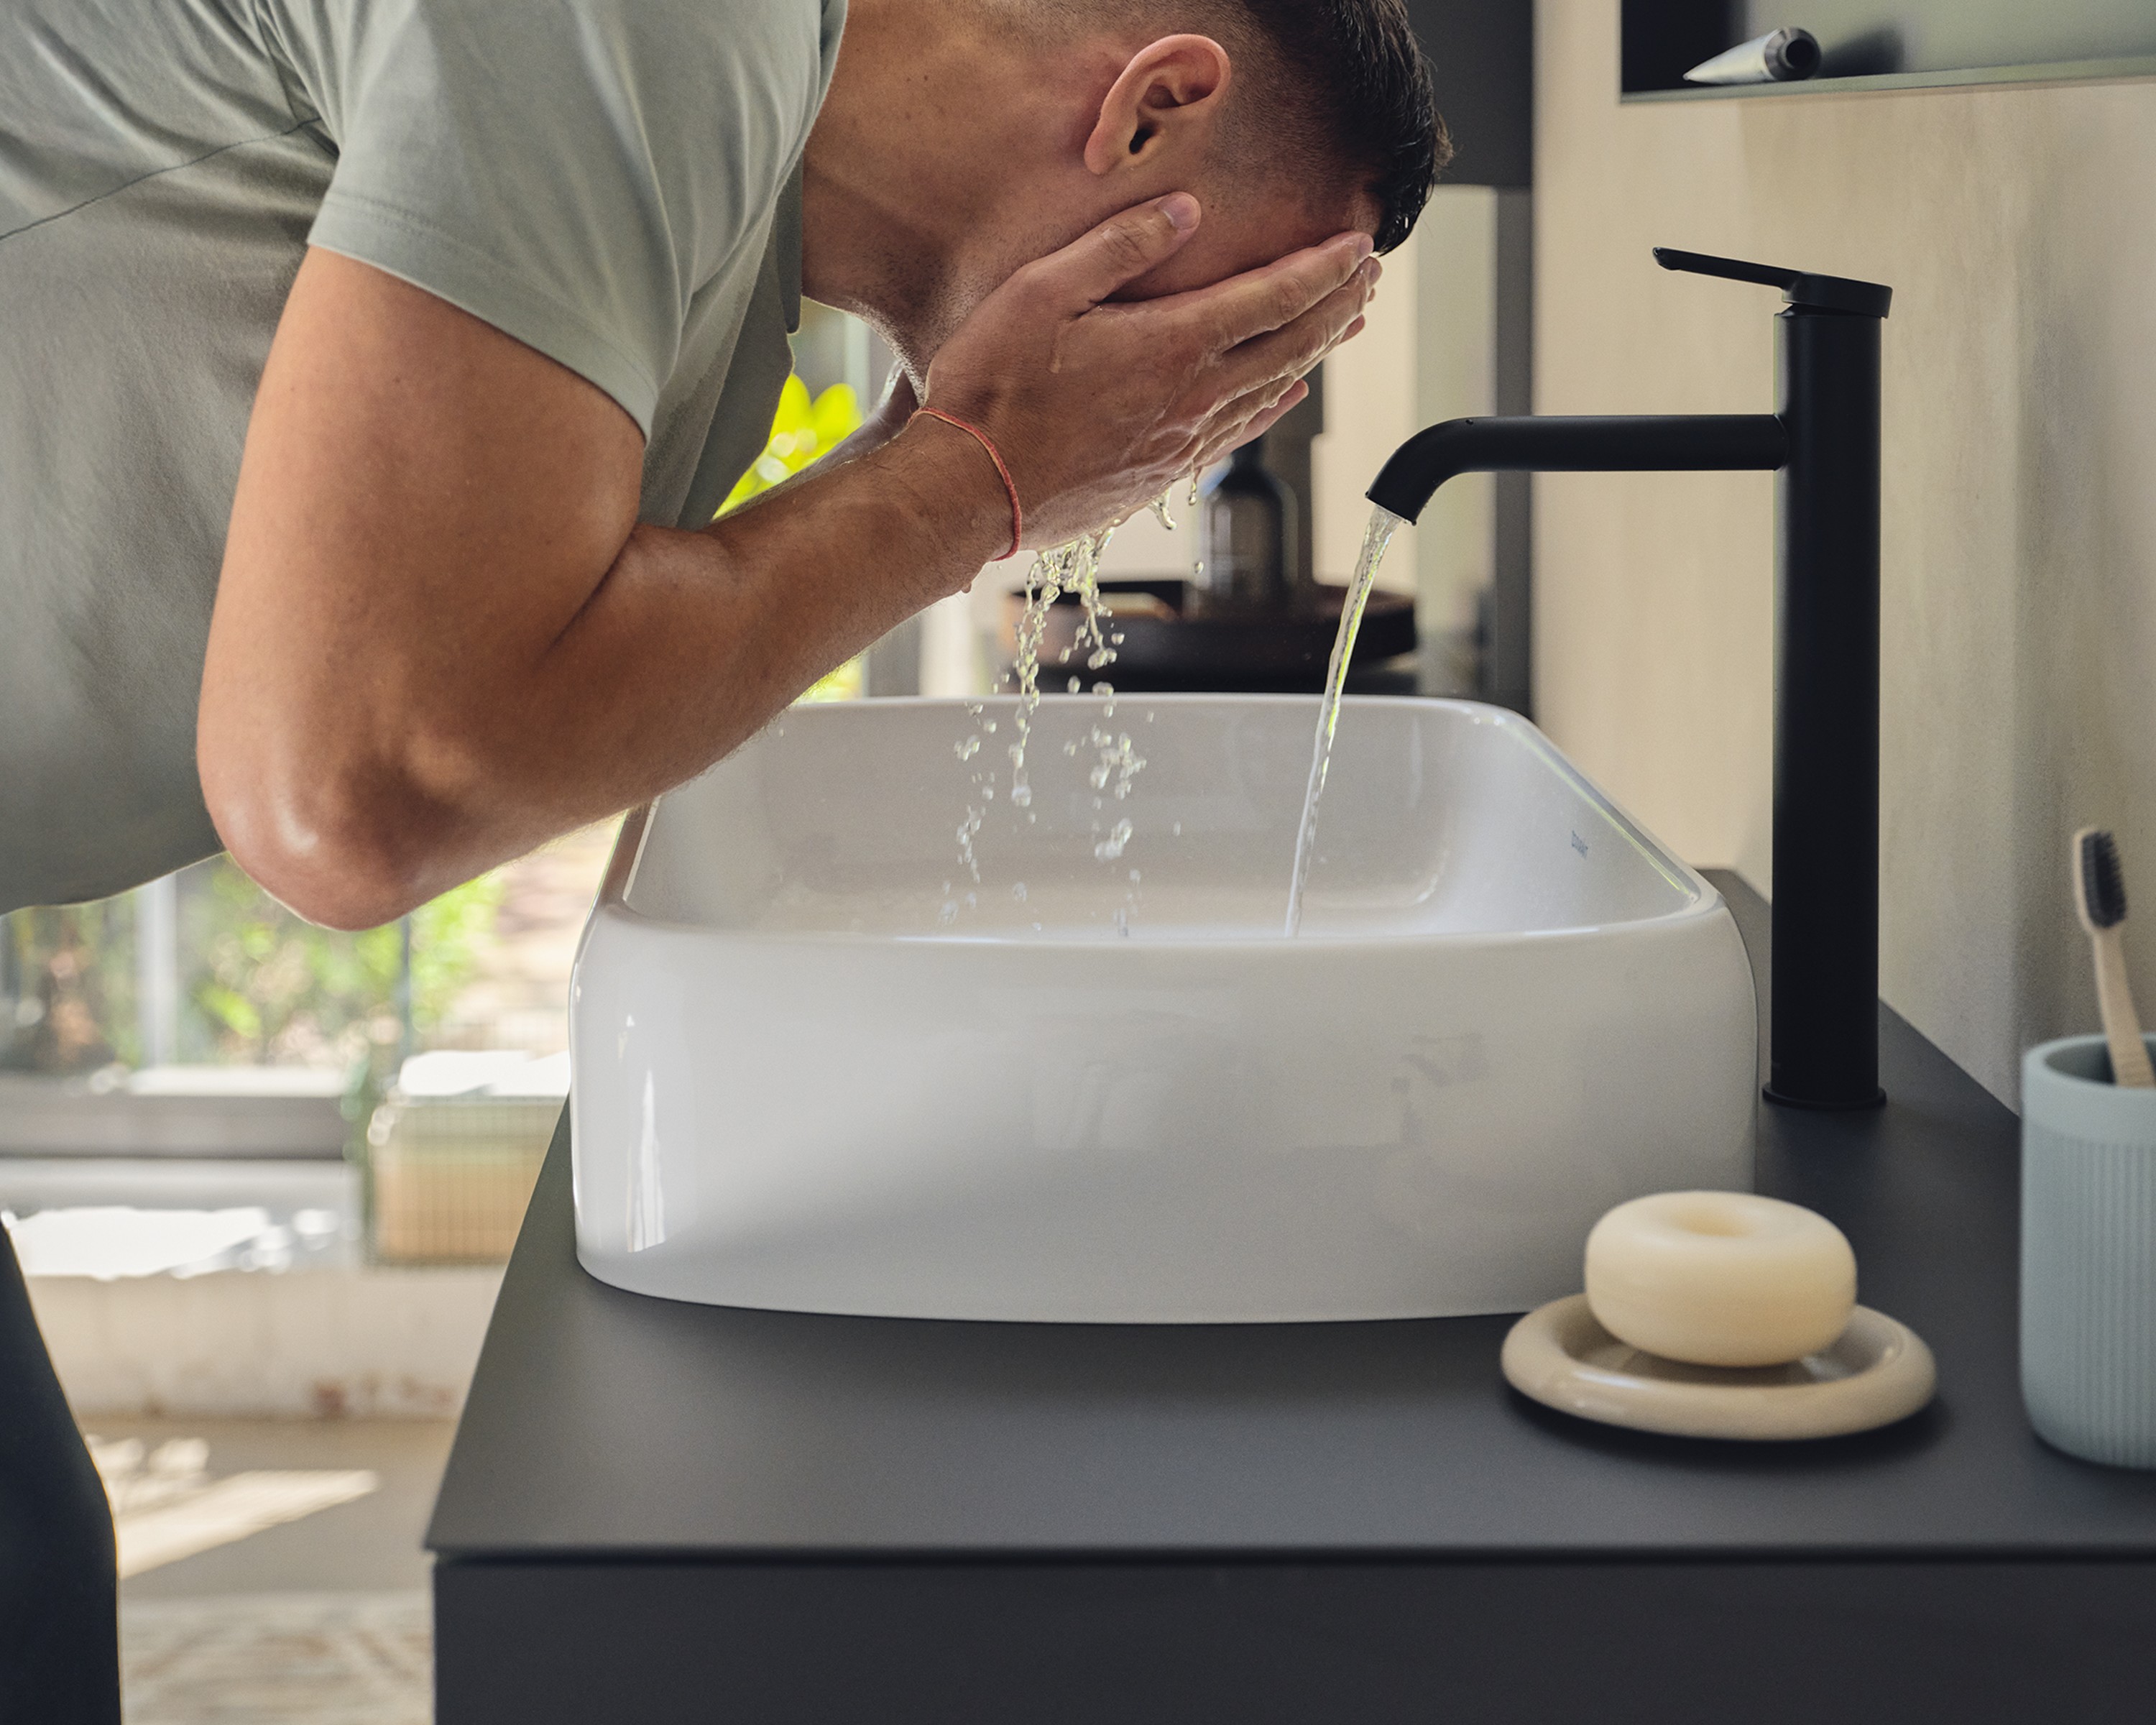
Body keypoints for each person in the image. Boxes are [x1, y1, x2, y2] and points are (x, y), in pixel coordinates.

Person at [1, 0, 1443, 1712]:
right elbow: (364, 784)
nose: (1206, 419)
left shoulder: (730, 312)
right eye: (1238, 334)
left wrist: (943, 482)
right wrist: (973, 479)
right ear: (1153, 114)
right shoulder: (656, 22)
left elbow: (549, 704)